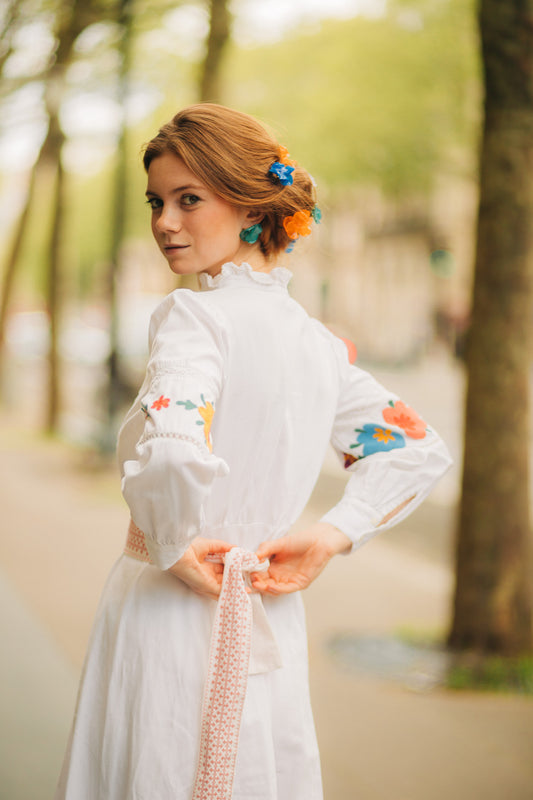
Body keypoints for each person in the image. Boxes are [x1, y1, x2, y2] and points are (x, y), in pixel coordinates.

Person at [55, 103, 452, 800]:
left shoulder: (193, 319)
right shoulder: (318, 346)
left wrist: (171, 542)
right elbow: (412, 447)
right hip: (264, 610)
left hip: (170, 612)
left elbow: (174, 452)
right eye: (156, 202)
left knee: (162, 762)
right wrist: (332, 535)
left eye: (187, 199)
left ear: (248, 208)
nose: (163, 223)